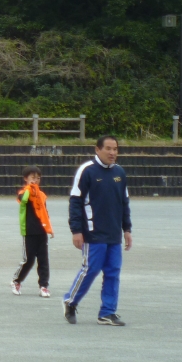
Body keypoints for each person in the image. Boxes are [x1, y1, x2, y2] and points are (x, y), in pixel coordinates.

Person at [63, 136, 132, 326]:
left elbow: (124, 203)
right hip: (93, 232)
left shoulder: (120, 172)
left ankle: (108, 312)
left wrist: (127, 229)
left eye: (115, 149)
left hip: (113, 233)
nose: (112, 153)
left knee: (113, 272)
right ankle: (70, 301)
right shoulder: (87, 171)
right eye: (108, 149)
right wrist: (76, 230)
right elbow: (75, 202)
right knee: (90, 269)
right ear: (97, 149)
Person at [12, 166, 54, 297]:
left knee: (43, 259)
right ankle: (17, 281)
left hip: (41, 231)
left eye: (38, 178)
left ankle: (43, 286)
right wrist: (30, 188)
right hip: (29, 231)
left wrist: (49, 228)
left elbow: (45, 213)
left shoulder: (42, 195)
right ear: (26, 179)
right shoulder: (24, 193)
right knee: (28, 260)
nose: (35, 180)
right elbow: (22, 200)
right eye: (33, 178)